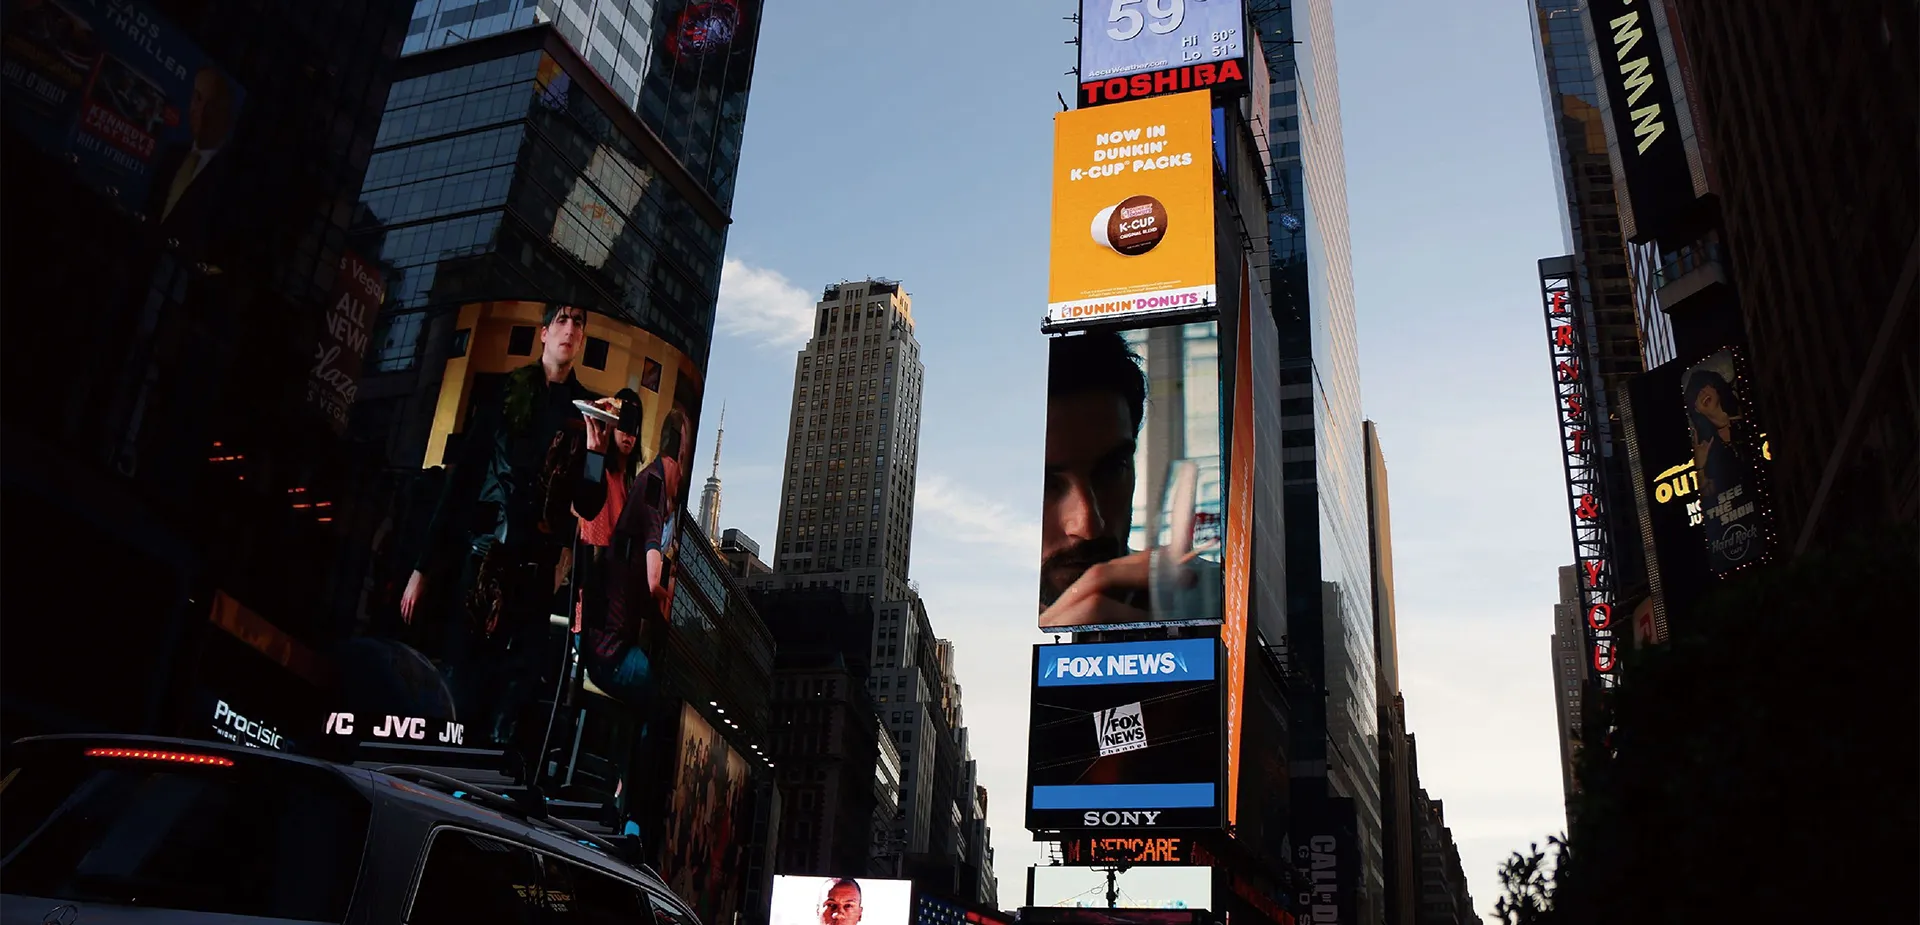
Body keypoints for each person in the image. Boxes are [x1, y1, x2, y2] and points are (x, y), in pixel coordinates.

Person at [399, 303, 614, 753]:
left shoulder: (586, 413)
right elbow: (461, 485)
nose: (571, 330)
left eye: (579, 324)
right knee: (462, 686)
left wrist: (595, 455)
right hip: (484, 562)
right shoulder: (505, 393)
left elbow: (588, 505)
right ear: (544, 333)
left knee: (511, 700)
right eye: (563, 320)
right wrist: (423, 568)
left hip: (533, 577)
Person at [1039, 331, 1153, 628]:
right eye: (1046, 485)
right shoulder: (977, 620)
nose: (1089, 526)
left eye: (1113, 469)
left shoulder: (1212, 600)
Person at [592, 406, 695, 706]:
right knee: (663, 695)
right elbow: (652, 579)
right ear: (682, 453)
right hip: (609, 651)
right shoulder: (654, 484)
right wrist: (669, 597)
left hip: (614, 644)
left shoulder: (653, 483)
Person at [147, 66, 236, 229]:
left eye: (211, 104)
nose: (200, 111)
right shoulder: (172, 155)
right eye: (197, 98)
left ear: (226, 114)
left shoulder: (225, 179)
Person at [1683, 364, 1748, 508]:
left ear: (1715, 388)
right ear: (1697, 410)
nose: (1702, 394)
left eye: (1704, 386)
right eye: (1696, 395)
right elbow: (1708, 495)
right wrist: (1699, 466)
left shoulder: (1745, 416)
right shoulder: (1710, 447)